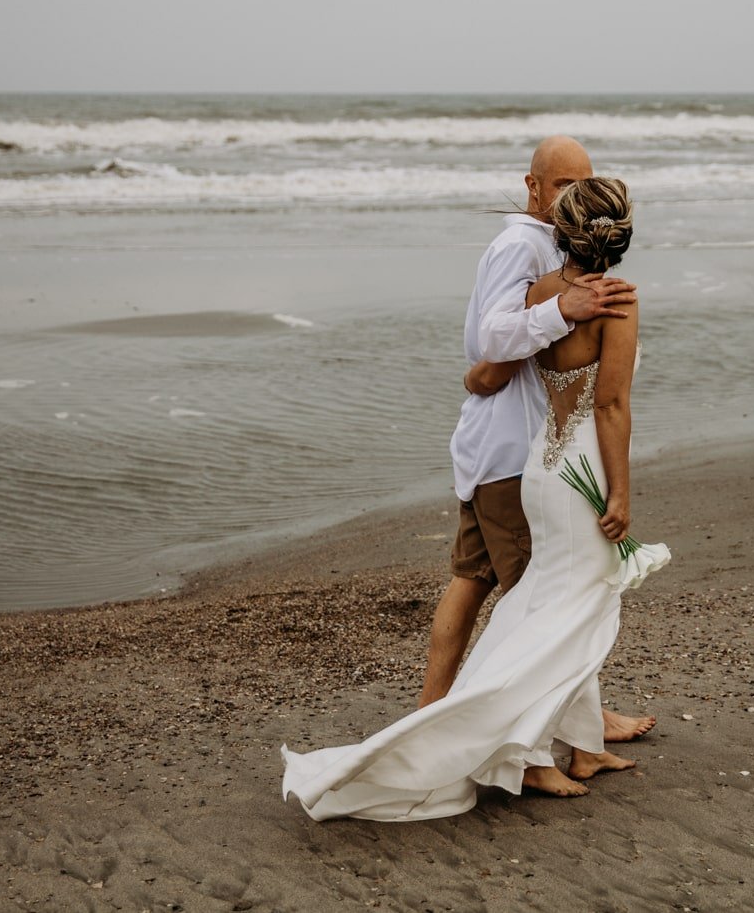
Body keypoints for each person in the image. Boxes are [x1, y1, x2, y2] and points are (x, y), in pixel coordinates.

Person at [279, 174, 646, 819]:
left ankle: (583, 746)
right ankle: (524, 754)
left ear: (563, 232)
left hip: (542, 464)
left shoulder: (539, 294)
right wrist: (620, 491)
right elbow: (612, 404)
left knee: (554, 606)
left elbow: (486, 365)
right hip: (578, 471)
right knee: (564, 612)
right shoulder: (615, 299)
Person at [422, 136, 654, 748]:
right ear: (532, 186)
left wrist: (484, 374)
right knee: (545, 606)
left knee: (473, 580)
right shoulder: (524, 245)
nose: (572, 196)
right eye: (560, 186)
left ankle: (429, 712)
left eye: (583, 184)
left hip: (499, 447)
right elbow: (494, 339)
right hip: (513, 452)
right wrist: (565, 309)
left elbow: (490, 357)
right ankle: (536, 738)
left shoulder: (547, 253)